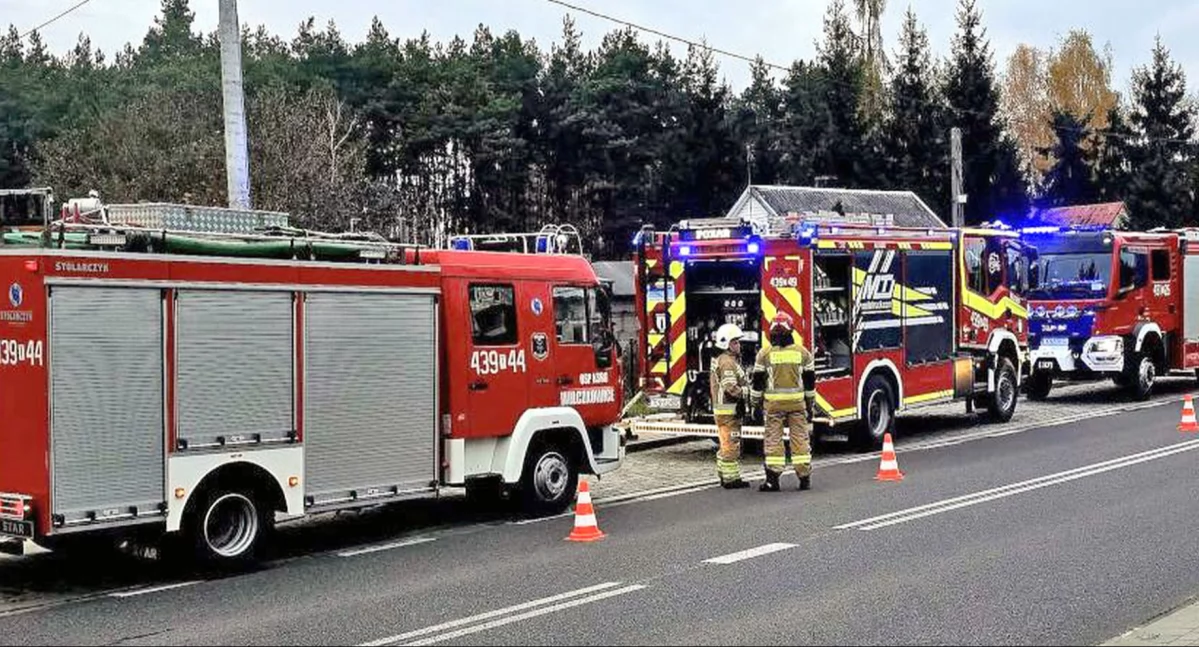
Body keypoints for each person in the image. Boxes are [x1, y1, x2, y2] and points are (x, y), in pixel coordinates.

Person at [751, 312, 817, 492]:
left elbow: (757, 383)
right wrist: (810, 406)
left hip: (773, 406)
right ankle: (804, 478)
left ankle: (773, 480)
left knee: (773, 440)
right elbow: (810, 384)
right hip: (797, 404)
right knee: (800, 440)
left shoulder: (764, 354)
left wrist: (755, 405)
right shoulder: (803, 353)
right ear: (791, 331)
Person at [710, 323, 750, 489]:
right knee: (731, 444)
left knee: (726, 442)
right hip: (728, 411)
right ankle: (731, 479)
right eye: (735, 342)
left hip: (725, 410)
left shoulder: (724, 360)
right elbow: (730, 388)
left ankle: (724, 475)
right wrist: (748, 392)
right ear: (726, 344)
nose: (738, 345)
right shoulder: (727, 363)